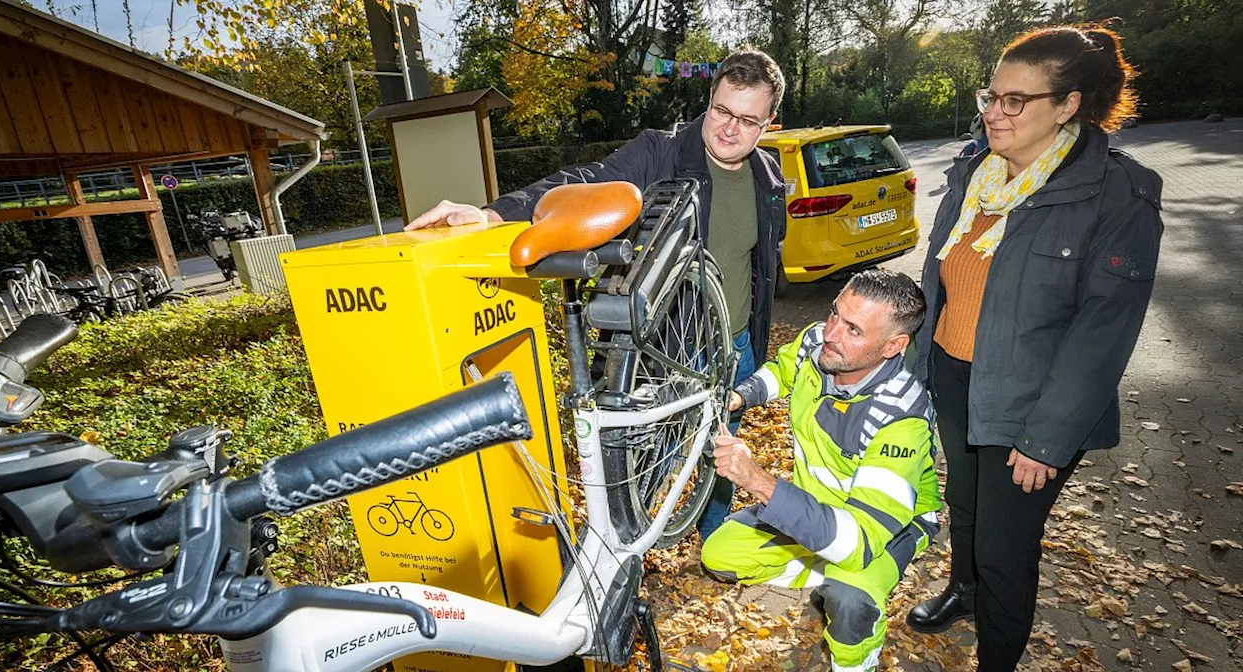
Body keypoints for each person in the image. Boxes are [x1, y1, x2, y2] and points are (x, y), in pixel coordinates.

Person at [406, 50, 789, 539]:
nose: (730, 128)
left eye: (747, 119)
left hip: (734, 343)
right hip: (669, 348)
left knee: (723, 452)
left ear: (768, 123)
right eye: (721, 110)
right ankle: (625, 558)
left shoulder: (768, 176)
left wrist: (751, 342)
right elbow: (583, 180)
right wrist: (496, 214)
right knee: (647, 462)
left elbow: (759, 268)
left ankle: (716, 543)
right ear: (709, 100)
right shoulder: (662, 152)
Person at [904, 26, 1163, 671]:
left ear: (1068, 104)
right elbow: (945, 281)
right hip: (958, 378)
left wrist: (1046, 438)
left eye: (1015, 101)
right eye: (990, 95)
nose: (994, 112)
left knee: (1004, 547)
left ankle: (996, 658)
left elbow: (1102, 336)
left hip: (1032, 406)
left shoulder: (1116, 195)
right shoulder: (975, 173)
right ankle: (963, 592)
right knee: (963, 510)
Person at [701, 270, 941, 672]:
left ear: (893, 346)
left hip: (881, 528)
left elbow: (858, 541)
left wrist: (757, 480)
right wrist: (741, 396)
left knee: (850, 596)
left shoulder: (901, 418)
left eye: (853, 329)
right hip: (821, 505)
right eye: (834, 313)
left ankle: (856, 661)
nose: (831, 333)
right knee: (720, 554)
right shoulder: (819, 343)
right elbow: (783, 370)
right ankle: (820, 562)